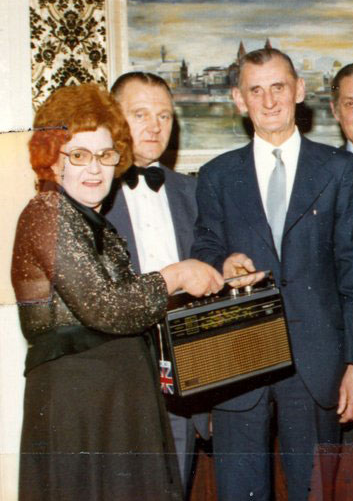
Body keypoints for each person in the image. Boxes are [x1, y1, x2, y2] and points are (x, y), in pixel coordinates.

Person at [11, 83, 223, 500]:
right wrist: (175, 275)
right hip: (81, 407)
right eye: (79, 155)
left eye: (106, 156)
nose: (95, 169)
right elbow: (106, 308)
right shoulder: (46, 212)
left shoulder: (95, 222)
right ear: (53, 159)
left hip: (119, 401)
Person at [191, 47, 353, 501]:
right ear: (238, 99)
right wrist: (222, 264)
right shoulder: (215, 175)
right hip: (239, 359)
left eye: (279, 87)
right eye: (255, 90)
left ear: (299, 91)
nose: (269, 101)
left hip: (317, 363)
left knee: (316, 491)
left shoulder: (340, 170)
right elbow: (204, 249)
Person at [103, 71, 209, 495]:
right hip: (116, 381)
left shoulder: (193, 192)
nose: (154, 126)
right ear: (113, 119)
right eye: (140, 114)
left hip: (183, 382)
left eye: (164, 116)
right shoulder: (92, 192)